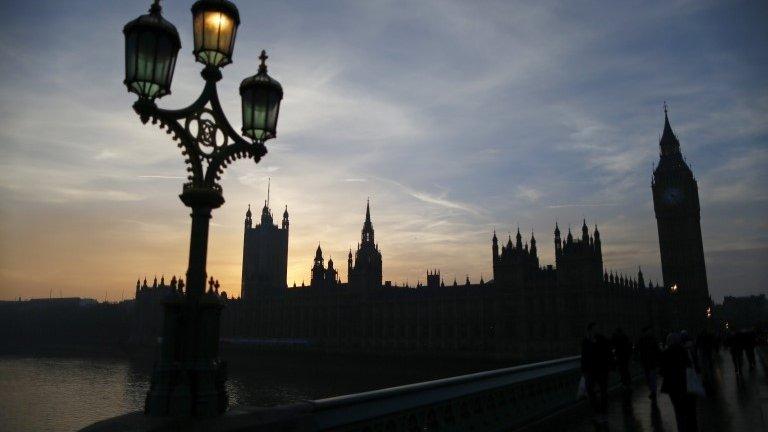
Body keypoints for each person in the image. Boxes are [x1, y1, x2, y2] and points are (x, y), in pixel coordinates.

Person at [660, 332, 699, 432]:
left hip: (673, 386)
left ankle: (682, 428)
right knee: (690, 410)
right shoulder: (684, 351)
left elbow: (662, 371)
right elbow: (690, 366)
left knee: (678, 410)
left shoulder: (665, 353)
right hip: (685, 384)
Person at [581, 322, 613, 423]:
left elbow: (608, 352)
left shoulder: (602, 339)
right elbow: (584, 356)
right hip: (590, 370)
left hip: (602, 369)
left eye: (597, 329)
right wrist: (584, 370)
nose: (596, 330)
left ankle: (603, 412)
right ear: (589, 330)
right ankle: (597, 411)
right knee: (590, 391)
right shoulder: (585, 341)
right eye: (594, 329)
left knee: (603, 391)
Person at [638, 325, 661, 401]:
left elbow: (656, 350)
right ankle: (652, 390)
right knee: (649, 378)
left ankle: (653, 391)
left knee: (652, 377)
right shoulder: (643, 340)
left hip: (651, 361)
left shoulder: (648, 339)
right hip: (647, 361)